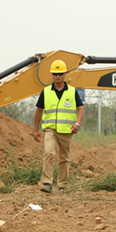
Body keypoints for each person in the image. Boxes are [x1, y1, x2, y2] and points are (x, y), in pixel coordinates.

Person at [34, 60, 84, 193]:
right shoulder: (45, 92)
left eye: (60, 73)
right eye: (55, 74)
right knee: (48, 153)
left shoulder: (72, 92)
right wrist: (35, 130)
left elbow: (81, 109)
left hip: (67, 131)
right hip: (50, 129)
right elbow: (38, 110)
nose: (58, 76)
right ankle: (47, 183)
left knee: (64, 158)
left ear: (65, 74)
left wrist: (77, 124)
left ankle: (62, 185)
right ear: (51, 74)